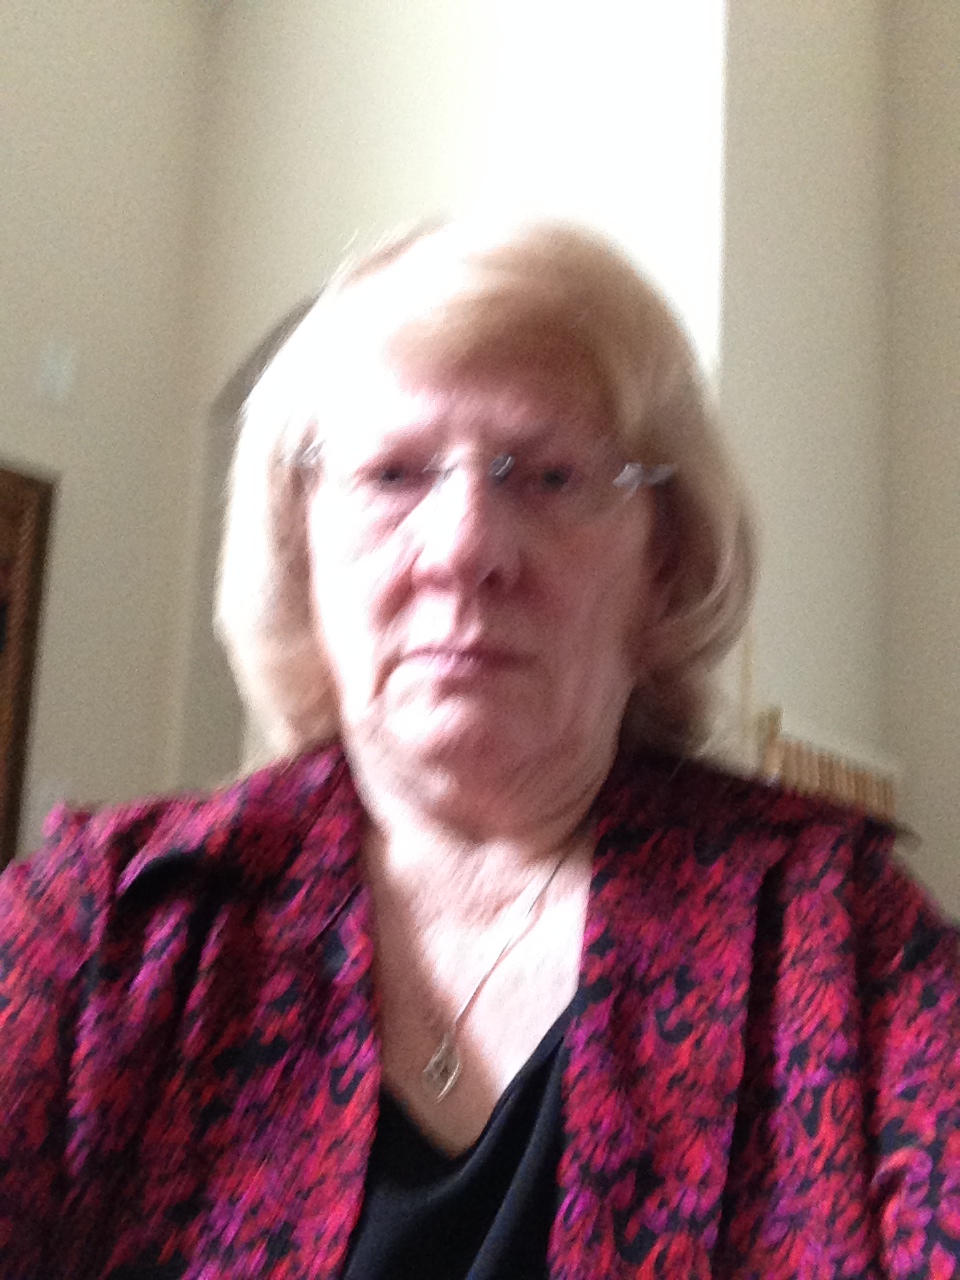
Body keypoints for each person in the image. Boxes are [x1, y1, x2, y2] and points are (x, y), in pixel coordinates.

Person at [1, 219, 956, 1280]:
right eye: (393, 474)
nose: (464, 546)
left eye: (549, 477)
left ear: (662, 566)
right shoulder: (111, 924)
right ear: (303, 550)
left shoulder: (833, 939)